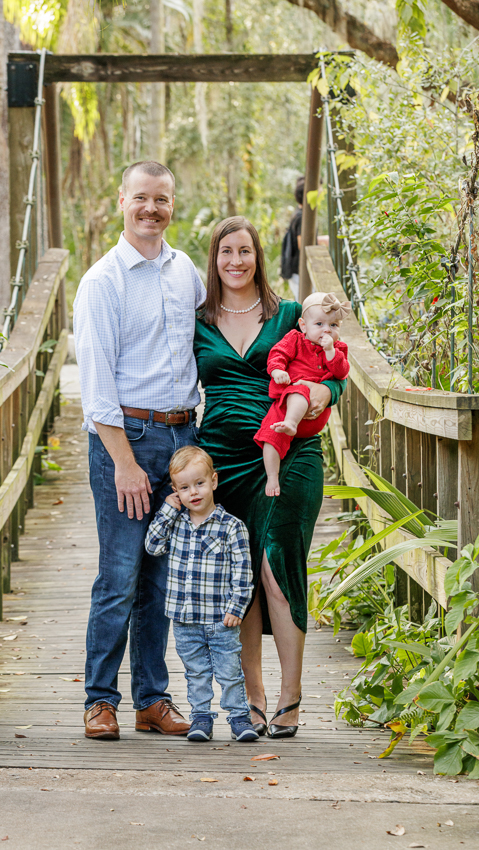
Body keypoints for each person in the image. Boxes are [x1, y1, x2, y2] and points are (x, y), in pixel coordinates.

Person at [193, 217, 346, 739]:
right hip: (223, 462)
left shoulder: (290, 315)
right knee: (241, 582)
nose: (236, 261)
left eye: (245, 251)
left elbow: (333, 369)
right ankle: (252, 698)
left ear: (259, 256)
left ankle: (291, 697)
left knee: (277, 570)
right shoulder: (197, 321)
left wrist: (328, 396)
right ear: (213, 260)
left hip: (290, 451)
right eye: (225, 252)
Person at [73, 161, 206, 741]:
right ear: (121, 200)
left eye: (163, 200)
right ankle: (99, 700)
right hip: (125, 440)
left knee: (160, 578)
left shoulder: (187, 275)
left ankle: (151, 699)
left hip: (182, 439)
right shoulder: (103, 281)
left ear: (172, 204)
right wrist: (124, 463)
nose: (152, 209)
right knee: (120, 574)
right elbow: (96, 385)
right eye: (142, 199)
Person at [145, 445, 258, 743]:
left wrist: (237, 607)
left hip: (221, 618)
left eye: (199, 483)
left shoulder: (232, 527)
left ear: (214, 482)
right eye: (184, 487)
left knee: (229, 671)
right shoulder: (176, 524)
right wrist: (168, 509)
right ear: (175, 491)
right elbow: (153, 547)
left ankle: (239, 719)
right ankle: (201, 718)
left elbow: (243, 572)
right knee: (195, 673)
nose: (193, 492)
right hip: (185, 619)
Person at [254, 292, 350, 497]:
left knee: (301, 390)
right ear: (303, 325)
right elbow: (278, 354)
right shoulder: (295, 339)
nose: (327, 330)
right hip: (286, 408)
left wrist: (331, 352)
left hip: (313, 414)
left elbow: (341, 373)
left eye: (334, 326)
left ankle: (291, 423)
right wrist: (278, 370)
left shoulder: (338, 348)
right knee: (270, 436)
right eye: (319, 324)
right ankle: (272, 477)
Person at [281, 177, 329, 302]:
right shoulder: (302, 217)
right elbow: (302, 244)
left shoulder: (300, 213)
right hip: (299, 270)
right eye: (319, 191)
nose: (321, 194)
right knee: (307, 304)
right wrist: (323, 241)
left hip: (298, 270)